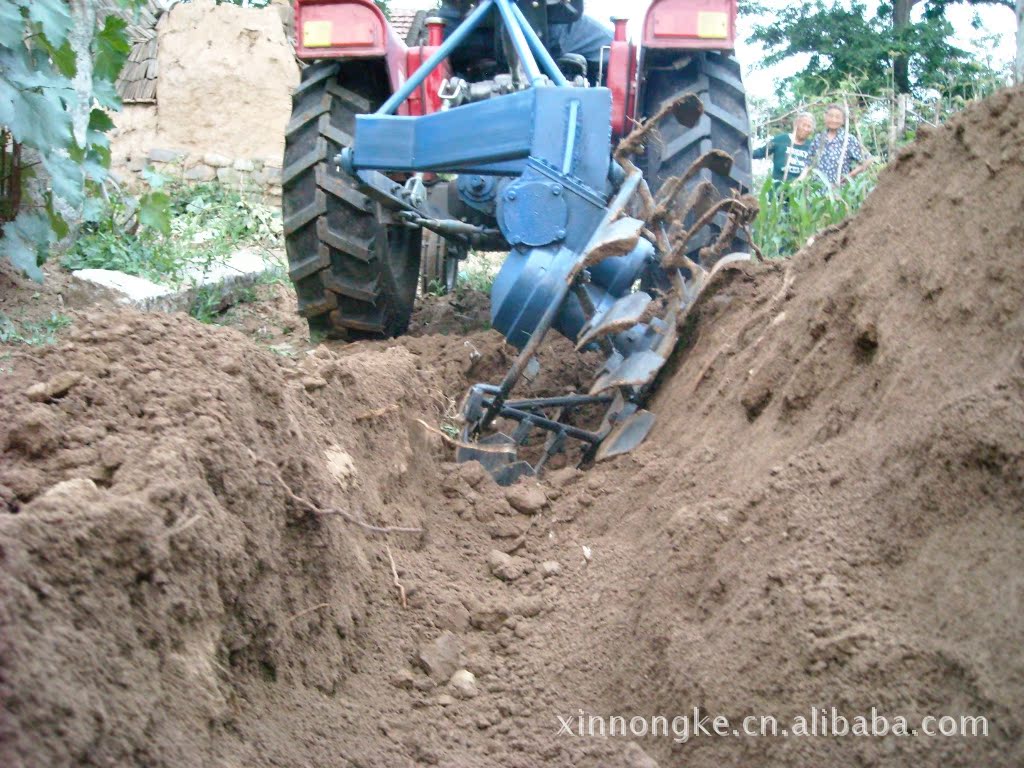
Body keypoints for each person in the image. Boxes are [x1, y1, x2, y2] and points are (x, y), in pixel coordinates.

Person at [806, 104, 873, 186]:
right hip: (816, 190)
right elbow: (808, 163)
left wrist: (849, 176)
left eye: (838, 117)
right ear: (825, 117)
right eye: (830, 116)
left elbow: (868, 160)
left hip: (838, 191)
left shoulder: (848, 139)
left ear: (843, 120)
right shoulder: (818, 138)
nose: (833, 120)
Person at [753, 112, 816, 184]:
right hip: (776, 189)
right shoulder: (780, 140)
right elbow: (760, 152)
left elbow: (811, 168)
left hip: (797, 190)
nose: (805, 129)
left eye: (809, 127)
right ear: (796, 124)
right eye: (803, 125)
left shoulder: (811, 147)